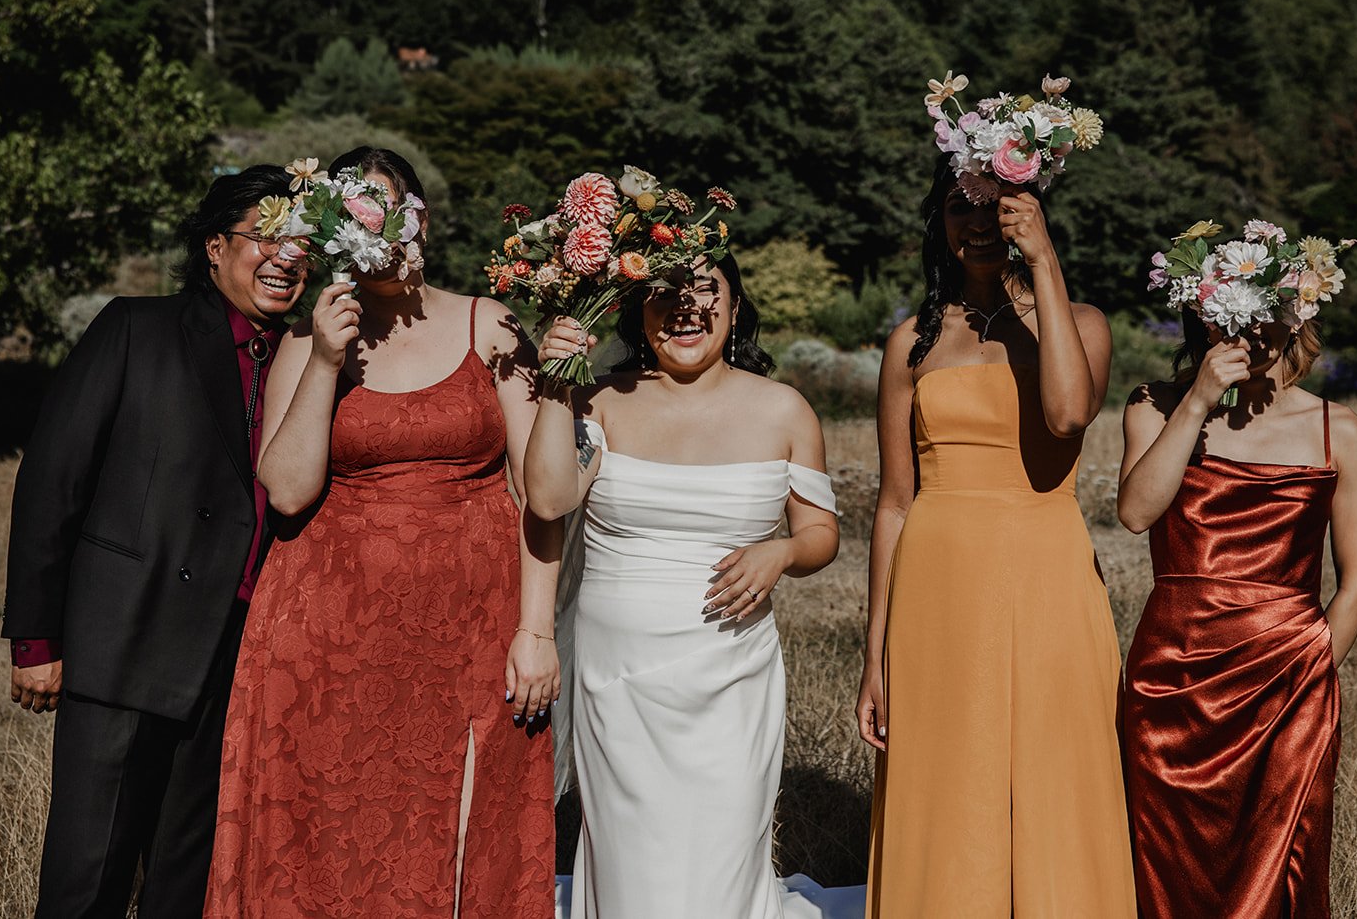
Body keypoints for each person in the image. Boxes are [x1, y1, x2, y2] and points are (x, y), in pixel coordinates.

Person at [205, 147, 557, 918]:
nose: (379, 234)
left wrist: (537, 628)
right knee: (330, 834)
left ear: (419, 219)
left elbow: (543, 492)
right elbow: (289, 490)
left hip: (470, 620)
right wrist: (328, 358)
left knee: (460, 823)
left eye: (389, 212)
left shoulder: (489, 323)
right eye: (356, 217)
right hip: (327, 632)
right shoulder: (310, 340)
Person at [1, 164, 307, 917]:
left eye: (300, 242)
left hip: (236, 662)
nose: (284, 255)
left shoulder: (315, 363)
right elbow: (52, 481)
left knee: (186, 880)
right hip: (123, 643)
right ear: (213, 246)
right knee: (87, 877)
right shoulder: (134, 327)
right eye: (263, 235)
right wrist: (36, 640)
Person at [858, 157, 1137, 917]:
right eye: (958, 206)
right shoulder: (910, 343)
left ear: (1032, 211)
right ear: (938, 223)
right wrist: (874, 651)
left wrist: (1043, 261)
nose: (977, 222)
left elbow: (1067, 417)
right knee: (950, 781)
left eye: (998, 204)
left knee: (1058, 773)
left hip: (1047, 570)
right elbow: (891, 503)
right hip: (938, 587)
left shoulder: (1081, 325)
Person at [526, 254, 840, 919]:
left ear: (733, 303)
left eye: (706, 289)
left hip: (731, 672)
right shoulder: (601, 400)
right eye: (665, 292)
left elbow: (821, 536)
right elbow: (549, 498)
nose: (687, 305)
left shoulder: (784, 409)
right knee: (632, 852)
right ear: (640, 312)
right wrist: (557, 382)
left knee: (721, 847)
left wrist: (780, 551)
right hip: (621, 679)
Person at [1117, 296, 1357, 916]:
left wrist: (1308, 670)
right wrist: (1199, 400)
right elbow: (1135, 513)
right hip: (1171, 679)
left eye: (1267, 314)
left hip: (1289, 683)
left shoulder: (1338, 429)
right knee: (1160, 866)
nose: (1251, 332)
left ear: (1296, 318)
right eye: (1232, 316)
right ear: (1204, 319)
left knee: (1282, 866)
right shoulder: (1153, 405)